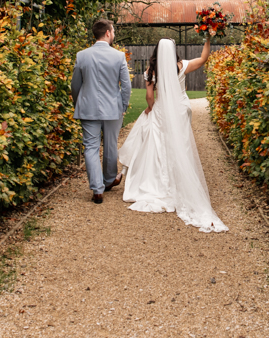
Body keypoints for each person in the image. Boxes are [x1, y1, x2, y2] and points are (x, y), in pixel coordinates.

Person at [118, 37, 227, 233]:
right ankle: (181, 179)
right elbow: (203, 59)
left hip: (161, 111)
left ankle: (157, 182)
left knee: (159, 144)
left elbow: (149, 97)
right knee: (180, 145)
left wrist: (150, 108)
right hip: (180, 110)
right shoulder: (182, 66)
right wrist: (208, 39)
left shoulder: (151, 71)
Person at [70, 19, 132, 204]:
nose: (114, 34)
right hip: (113, 108)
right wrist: (123, 105)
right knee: (111, 145)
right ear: (107, 33)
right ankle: (109, 179)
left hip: (88, 107)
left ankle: (97, 189)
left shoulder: (82, 55)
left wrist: (78, 103)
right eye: (113, 31)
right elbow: (126, 85)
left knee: (90, 147)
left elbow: (75, 85)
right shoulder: (118, 56)